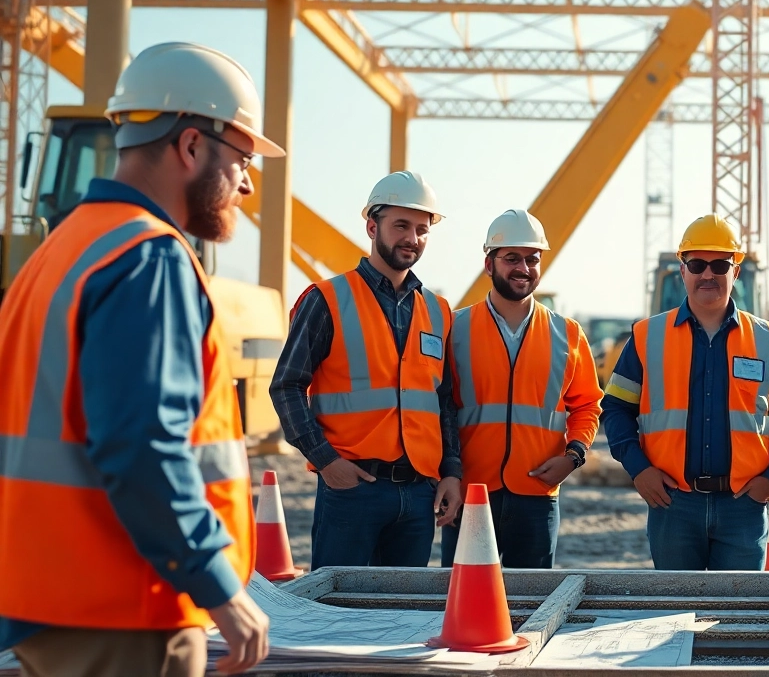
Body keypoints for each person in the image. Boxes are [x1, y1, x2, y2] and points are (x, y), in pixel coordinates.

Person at [0, 42, 274, 676]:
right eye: (242, 158)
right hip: (125, 606)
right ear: (192, 146)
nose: (246, 183)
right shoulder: (148, 258)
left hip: (46, 602)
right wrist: (217, 585)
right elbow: (142, 446)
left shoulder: (58, 253)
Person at [270, 171, 462, 571]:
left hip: (419, 493)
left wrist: (451, 472)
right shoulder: (327, 299)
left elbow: (443, 401)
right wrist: (326, 461)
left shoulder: (439, 310)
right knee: (337, 604)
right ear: (372, 227)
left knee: (402, 606)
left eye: (422, 230)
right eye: (401, 226)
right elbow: (287, 385)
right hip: (352, 489)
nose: (412, 238)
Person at [600, 215, 769, 570]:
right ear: (682, 271)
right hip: (673, 505)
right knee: (676, 604)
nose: (708, 275)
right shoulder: (646, 336)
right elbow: (616, 409)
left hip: (743, 508)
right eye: (697, 264)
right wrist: (638, 469)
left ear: (736, 272)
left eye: (720, 265)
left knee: (739, 606)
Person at [440, 209, 604, 568]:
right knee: (463, 595)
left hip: (537, 494)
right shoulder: (455, 329)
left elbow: (588, 404)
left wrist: (573, 456)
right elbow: (440, 408)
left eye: (532, 259)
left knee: (531, 599)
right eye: (512, 258)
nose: (523, 268)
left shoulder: (567, 334)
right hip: (471, 493)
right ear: (489, 264)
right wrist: (446, 475)